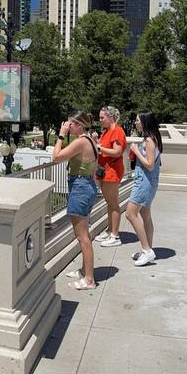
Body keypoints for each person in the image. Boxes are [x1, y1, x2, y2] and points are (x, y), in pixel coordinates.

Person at [53, 111, 100, 289]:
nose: (67, 125)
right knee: (84, 234)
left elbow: (56, 157)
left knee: (82, 237)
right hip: (86, 185)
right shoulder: (90, 140)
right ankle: (84, 270)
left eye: (70, 124)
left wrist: (60, 135)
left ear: (79, 126)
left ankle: (89, 280)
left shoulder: (81, 141)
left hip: (80, 187)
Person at [127, 111, 163, 266]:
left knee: (130, 214)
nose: (135, 122)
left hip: (144, 183)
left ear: (144, 122)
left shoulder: (149, 140)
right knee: (145, 214)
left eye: (137, 120)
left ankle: (147, 250)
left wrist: (136, 151)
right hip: (149, 182)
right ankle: (147, 249)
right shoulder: (153, 138)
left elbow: (149, 164)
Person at [93, 106, 127, 247]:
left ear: (110, 117)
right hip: (104, 170)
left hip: (112, 171)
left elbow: (117, 151)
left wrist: (99, 147)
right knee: (109, 202)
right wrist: (96, 142)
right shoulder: (107, 132)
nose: (100, 120)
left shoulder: (117, 131)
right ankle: (110, 230)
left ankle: (115, 235)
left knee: (113, 203)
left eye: (102, 118)